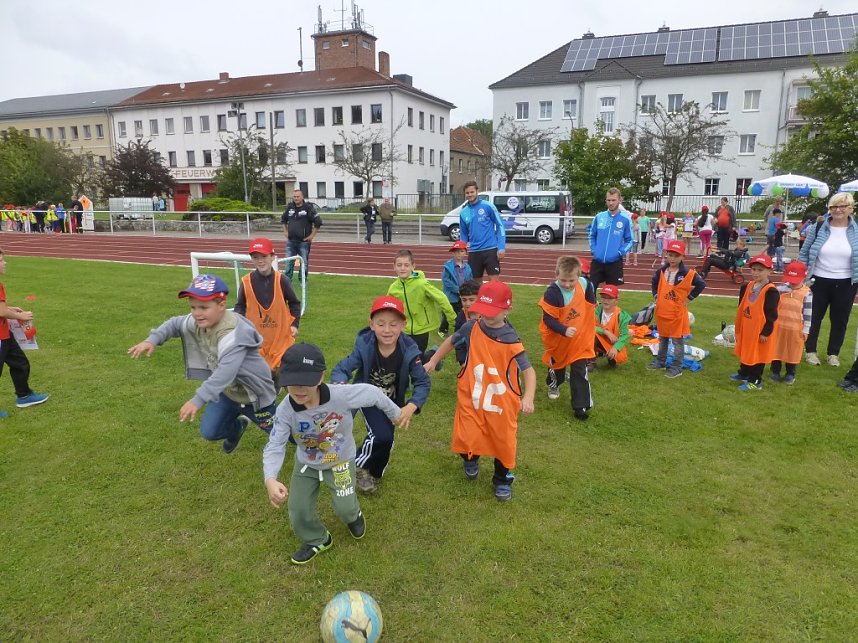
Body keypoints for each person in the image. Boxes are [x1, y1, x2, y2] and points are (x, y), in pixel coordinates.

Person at [263, 343, 403, 565]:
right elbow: (275, 445)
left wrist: (395, 413)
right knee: (298, 511)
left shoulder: (340, 396)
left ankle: (353, 516)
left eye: (305, 383)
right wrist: (270, 478)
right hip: (307, 465)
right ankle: (318, 539)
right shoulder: (286, 410)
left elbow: (372, 392)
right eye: (292, 383)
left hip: (340, 462)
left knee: (345, 509)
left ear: (320, 378)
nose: (298, 390)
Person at [128, 274, 277, 453]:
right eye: (193, 307)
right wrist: (152, 340)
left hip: (256, 396)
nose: (197, 313)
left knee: (285, 434)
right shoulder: (200, 321)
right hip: (228, 393)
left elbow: (225, 372)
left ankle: (315, 442)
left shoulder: (233, 334)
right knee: (210, 432)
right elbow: (176, 323)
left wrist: (198, 400)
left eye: (204, 307)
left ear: (221, 306)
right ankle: (237, 428)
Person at [424, 281, 536, 502]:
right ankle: (470, 458)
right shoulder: (472, 326)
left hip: (500, 405)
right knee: (466, 436)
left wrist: (528, 397)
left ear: (507, 310)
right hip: (472, 398)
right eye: (483, 311)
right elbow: (451, 341)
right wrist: (433, 360)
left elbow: (529, 371)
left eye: (493, 312)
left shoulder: (512, 340)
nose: (486, 317)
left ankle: (502, 479)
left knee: (503, 444)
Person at [331, 296, 431, 494]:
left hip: (391, 401)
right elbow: (342, 368)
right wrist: (340, 386)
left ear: (403, 325)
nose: (387, 330)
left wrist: (411, 405)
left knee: (386, 441)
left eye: (393, 324)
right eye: (381, 324)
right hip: (367, 397)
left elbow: (422, 382)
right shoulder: (365, 345)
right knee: (381, 435)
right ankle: (357, 465)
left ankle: (374, 472)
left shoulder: (409, 350)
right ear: (371, 325)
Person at [797, 192, 858, 368]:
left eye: (842, 206)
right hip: (818, 280)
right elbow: (805, 252)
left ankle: (833, 353)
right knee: (813, 318)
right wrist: (801, 275)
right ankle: (810, 351)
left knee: (840, 320)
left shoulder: (856, 230)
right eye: (834, 207)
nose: (838, 210)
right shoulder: (819, 227)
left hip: (847, 282)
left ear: (850, 209)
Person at [538, 256, 596, 419]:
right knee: (558, 369)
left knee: (579, 370)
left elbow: (591, 303)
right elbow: (548, 319)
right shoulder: (552, 292)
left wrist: (586, 324)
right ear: (556, 274)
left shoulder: (585, 284)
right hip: (558, 339)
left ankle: (581, 406)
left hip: (578, 338)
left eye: (572, 280)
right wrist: (564, 330)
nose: (568, 284)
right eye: (563, 280)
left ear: (579, 276)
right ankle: (553, 384)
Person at [233, 238, 302, 376]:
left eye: (264, 256)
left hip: (280, 337)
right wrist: (238, 324)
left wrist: (294, 324)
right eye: (255, 257)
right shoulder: (246, 282)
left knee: (279, 372)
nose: (260, 260)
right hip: (257, 339)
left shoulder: (282, 280)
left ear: (272, 257)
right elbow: (240, 306)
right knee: (261, 374)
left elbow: (294, 303)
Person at [0, 249, 49, 415]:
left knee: (20, 363)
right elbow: (1, 312)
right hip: (0, 336)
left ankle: (24, 396)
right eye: (1, 260)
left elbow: (2, 309)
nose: (4, 263)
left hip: (5, 334)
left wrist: (11, 309)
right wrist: (21, 315)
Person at [649, 240, 706, 378]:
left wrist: (689, 298)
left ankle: (677, 366)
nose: (672, 258)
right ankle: (660, 361)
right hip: (662, 312)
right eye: (670, 255)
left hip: (676, 314)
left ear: (682, 257)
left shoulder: (687, 273)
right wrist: (656, 295)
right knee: (662, 338)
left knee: (677, 341)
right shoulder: (661, 271)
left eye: (676, 255)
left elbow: (701, 284)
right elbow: (654, 282)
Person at [387, 249, 455, 363]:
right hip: (404, 329)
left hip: (422, 330)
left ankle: (432, 358)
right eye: (399, 265)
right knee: (403, 358)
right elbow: (387, 307)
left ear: (413, 266)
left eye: (406, 265)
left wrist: (452, 318)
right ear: (394, 267)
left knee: (416, 359)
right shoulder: (393, 288)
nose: (402, 268)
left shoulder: (422, 284)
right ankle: (433, 355)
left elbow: (441, 298)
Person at [731, 255, 780, 391]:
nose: (756, 273)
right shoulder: (748, 286)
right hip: (748, 327)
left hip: (760, 331)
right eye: (753, 269)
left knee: (757, 355)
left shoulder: (770, 291)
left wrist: (766, 332)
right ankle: (744, 373)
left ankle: (755, 380)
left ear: (769, 271)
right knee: (746, 350)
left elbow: (772, 315)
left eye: (760, 270)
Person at [770, 261, 812, 385]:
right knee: (776, 350)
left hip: (796, 329)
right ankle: (775, 372)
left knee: (792, 351)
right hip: (778, 326)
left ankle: (790, 373)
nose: (793, 282)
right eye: (791, 279)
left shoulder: (807, 293)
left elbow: (808, 313)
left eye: (796, 279)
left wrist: (806, 329)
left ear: (803, 277)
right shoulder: (780, 289)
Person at [459, 181, 505, 281]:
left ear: (477, 191)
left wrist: (501, 247)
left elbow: (500, 225)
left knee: (494, 284)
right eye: (467, 193)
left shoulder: (488, 206)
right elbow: (463, 235)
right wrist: (461, 251)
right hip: (474, 252)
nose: (470, 195)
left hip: (490, 250)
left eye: (472, 192)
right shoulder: (463, 212)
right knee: (475, 286)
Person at [588, 187, 633, 286]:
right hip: (597, 261)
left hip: (614, 262)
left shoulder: (625, 219)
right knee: (590, 290)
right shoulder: (599, 217)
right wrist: (594, 250)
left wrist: (619, 252)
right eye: (608, 200)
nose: (611, 203)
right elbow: (592, 235)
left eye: (613, 200)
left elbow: (629, 240)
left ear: (620, 200)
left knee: (611, 295)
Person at [281, 189, 322, 281]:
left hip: (303, 242)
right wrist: (285, 231)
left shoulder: (308, 208)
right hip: (291, 242)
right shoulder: (290, 207)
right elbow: (283, 220)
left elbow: (318, 222)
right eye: (294, 197)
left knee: (304, 263)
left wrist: (312, 236)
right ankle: (287, 282)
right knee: (288, 263)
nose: (296, 198)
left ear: (302, 197)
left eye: (298, 196)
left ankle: (302, 281)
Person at [440, 240, 473, 335]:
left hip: (462, 295)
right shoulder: (448, 266)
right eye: (457, 251)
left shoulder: (467, 267)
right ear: (453, 253)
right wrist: (456, 289)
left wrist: (466, 290)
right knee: (448, 313)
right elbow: (446, 280)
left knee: (461, 313)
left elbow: (469, 279)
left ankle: (459, 329)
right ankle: (442, 329)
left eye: (461, 251)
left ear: (465, 253)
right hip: (451, 296)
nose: (459, 253)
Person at [593, 284, 631, 368]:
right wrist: (606, 332)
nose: (606, 300)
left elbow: (624, 335)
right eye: (603, 297)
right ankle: (591, 361)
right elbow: (589, 326)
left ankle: (608, 353)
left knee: (615, 361)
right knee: (590, 335)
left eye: (609, 298)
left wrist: (616, 348)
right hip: (599, 339)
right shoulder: (596, 311)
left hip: (614, 343)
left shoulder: (622, 316)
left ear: (616, 300)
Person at [452, 279, 481, 365]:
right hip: (470, 356)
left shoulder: (488, 316)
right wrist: (462, 360)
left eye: (471, 300)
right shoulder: (461, 318)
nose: (467, 303)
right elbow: (458, 341)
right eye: (464, 300)